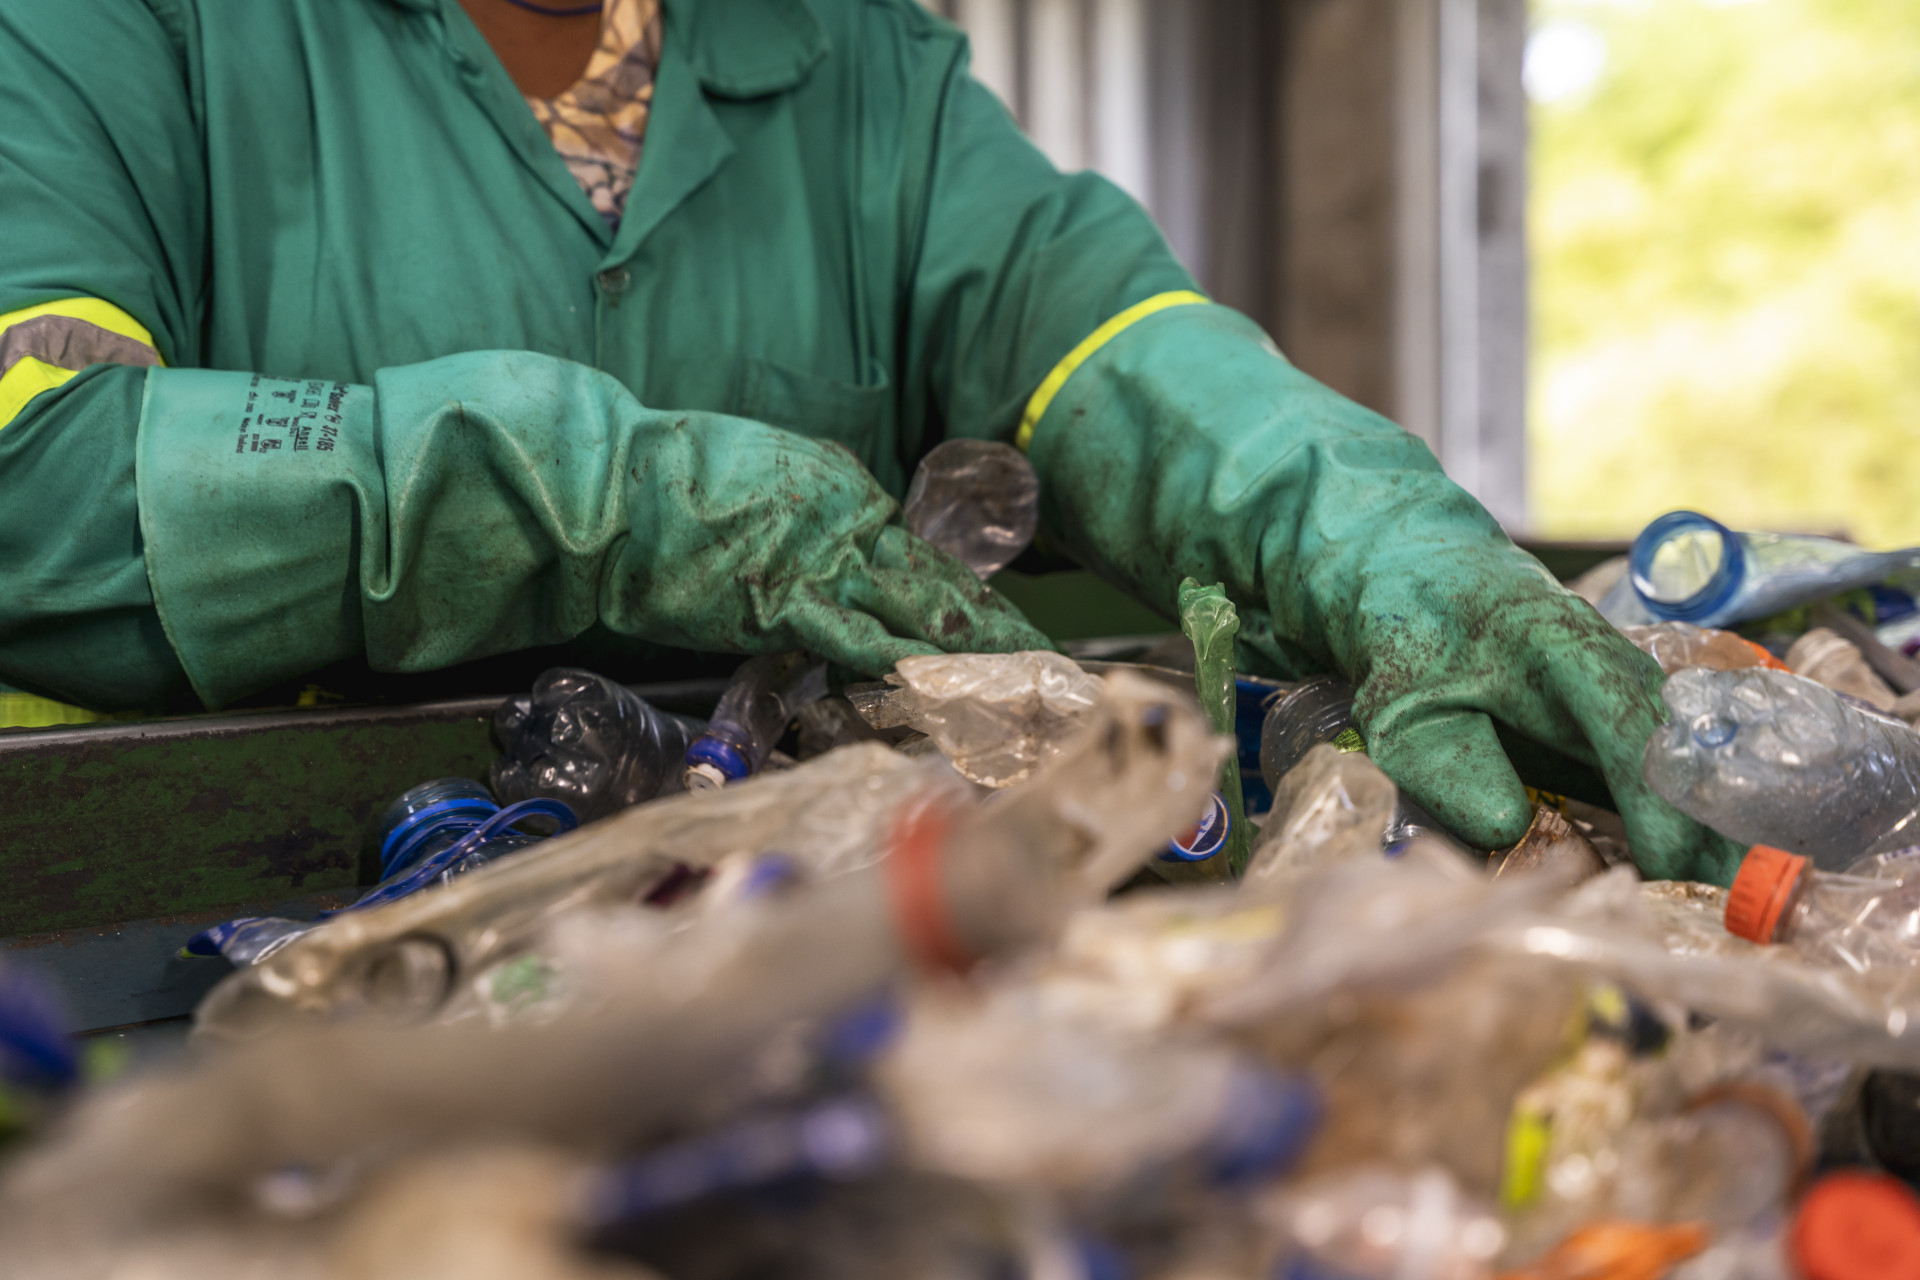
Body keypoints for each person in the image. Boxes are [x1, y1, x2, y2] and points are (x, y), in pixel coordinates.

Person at [0, 0, 1739, 881]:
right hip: (233, 913)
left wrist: (1367, 530)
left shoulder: (845, 64)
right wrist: (590, 495)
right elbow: (37, 473)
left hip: (793, 902)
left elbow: (1111, 350)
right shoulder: (110, 37)